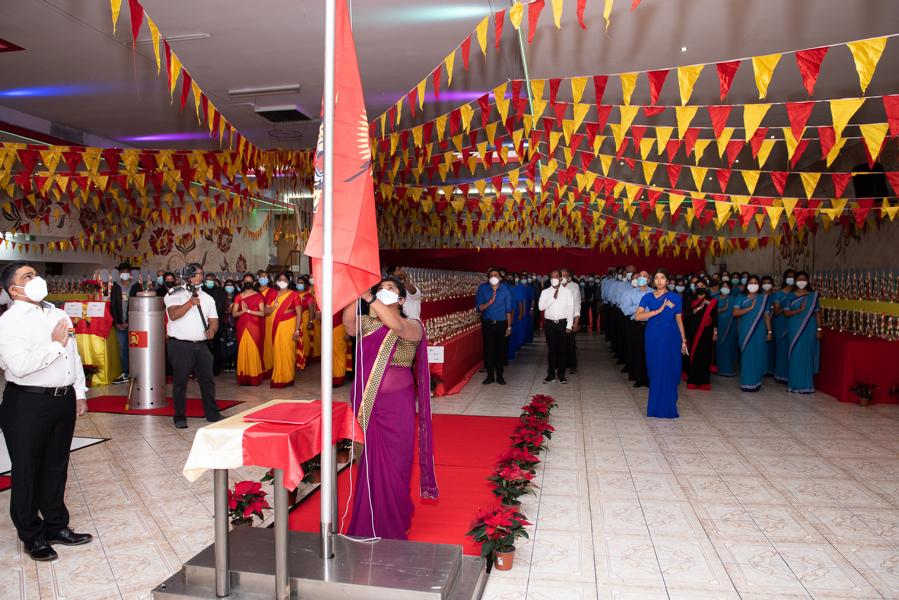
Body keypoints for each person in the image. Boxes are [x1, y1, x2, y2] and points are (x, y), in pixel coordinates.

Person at [0, 262, 93, 561]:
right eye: (27, 276)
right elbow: (20, 366)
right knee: (27, 470)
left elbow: (73, 355)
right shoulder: (9, 322)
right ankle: (32, 534)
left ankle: (56, 525)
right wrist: (55, 345)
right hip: (27, 402)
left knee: (56, 465)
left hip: (62, 399)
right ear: (14, 290)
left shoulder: (57, 313)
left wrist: (79, 391)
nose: (36, 279)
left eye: (36, 274)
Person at [341, 276, 438, 540]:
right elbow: (349, 325)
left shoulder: (413, 325)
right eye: (381, 288)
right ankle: (368, 518)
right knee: (369, 462)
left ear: (402, 299)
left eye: (391, 289)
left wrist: (369, 296)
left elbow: (395, 325)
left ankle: (395, 518)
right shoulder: (368, 323)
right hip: (368, 404)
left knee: (396, 463)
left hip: (397, 408)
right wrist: (354, 294)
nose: (384, 291)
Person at [164, 263, 221, 428]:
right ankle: (179, 417)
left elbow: (214, 320)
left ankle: (212, 414)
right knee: (180, 382)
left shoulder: (208, 298)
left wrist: (212, 330)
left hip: (201, 345)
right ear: (187, 276)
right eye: (195, 274)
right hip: (180, 345)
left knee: (207, 380)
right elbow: (173, 315)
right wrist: (190, 303)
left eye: (201, 274)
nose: (199, 277)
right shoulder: (174, 293)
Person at [634, 269, 686, 419]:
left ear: (667, 281)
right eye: (656, 278)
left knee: (670, 370)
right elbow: (638, 316)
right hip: (653, 336)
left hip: (671, 336)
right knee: (655, 369)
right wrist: (658, 310)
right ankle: (655, 407)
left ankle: (669, 406)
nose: (659, 281)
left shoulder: (675, 298)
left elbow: (679, 320)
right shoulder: (648, 297)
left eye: (662, 278)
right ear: (653, 281)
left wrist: (683, 340)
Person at [732, 275, 772, 392]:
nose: (753, 285)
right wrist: (750, 308)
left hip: (760, 330)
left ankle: (756, 382)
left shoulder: (763, 299)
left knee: (758, 355)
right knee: (747, 355)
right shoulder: (741, 298)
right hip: (745, 330)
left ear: (759, 285)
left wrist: (769, 331)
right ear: (747, 285)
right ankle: (747, 383)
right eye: (751, 283)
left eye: (755, 283)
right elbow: (735, 313)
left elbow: (766, 316)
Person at [783, 272, 821, 394]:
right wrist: (799, 310)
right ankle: (794, 384)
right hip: (794, 326)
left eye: (804, 279)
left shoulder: (813, 296)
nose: (801, 281)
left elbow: (817, 313)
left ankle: (806, 385)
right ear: (795, 281)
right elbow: (786, 313)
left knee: (808, 354)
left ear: (808, 281)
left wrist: (819, 329)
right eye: (799, 279)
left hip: (810, 327)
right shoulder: (790, 296)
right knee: (796, 353)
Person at [475, 268, 512, 385]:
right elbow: (479, 308)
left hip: (501, 323)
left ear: (500, 278)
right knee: (489, 350)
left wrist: (509, 327)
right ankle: (490, 375)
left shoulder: (505, 290)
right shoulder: (482, 289)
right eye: (491, 275)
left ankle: (500, 376)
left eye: (496, 275)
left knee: (500, 350)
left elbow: (508, 310)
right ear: (488, 278)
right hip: (488, 323)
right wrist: (489, 302)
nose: (493, 277)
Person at [538, 270, 576, 384]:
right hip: (549, 324)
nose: (553, 279)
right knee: (551, 350)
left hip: (562, 323)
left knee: (562, 350)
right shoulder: (545, 292)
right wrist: (553, 298)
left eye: (556, 277)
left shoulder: (567, 292)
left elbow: (571, 309)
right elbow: (541, 307)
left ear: (560, 278)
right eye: (551, 277)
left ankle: (561, 375)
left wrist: (569, 325)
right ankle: (550, 374)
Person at [269, 272, 303, 388]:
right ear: (277, 281)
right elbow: (266, 311)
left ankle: (288, 378)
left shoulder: (294, 295)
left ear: (289, 281)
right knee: (277, 351)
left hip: (289, 325)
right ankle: (278, 377)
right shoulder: (273, 294)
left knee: (288, 351)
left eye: (285, 279)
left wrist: (296, 331)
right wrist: (273, 307)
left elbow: (299, 314)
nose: (282, 282)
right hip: (275, 326)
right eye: (280, 279)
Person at [109, 262, 141, 384]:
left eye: (127, 272)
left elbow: (138, 305)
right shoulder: (116, 287)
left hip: (133, 324)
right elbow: (113, 306)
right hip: (119, 324)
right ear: (119, 273)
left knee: (135, 348)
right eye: (122, 272)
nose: (124, 274)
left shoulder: (136, 286)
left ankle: (137, 372)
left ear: (130, 273)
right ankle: (126, 373)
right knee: (123, 350)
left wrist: (128, 322)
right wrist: (117, 322)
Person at [232, 273, 266, 386]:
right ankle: (244, 376)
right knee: (243, 350)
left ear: (254, 283)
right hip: (242, 326)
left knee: (253, 350)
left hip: (254, 327)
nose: (248, 283)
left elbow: (262, 313)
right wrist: (243, 311)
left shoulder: (259, 296)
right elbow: (234, 314)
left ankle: (254, 376)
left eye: (250, 281)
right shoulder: (238, 296)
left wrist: (249, 311)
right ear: (242, 283)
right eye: (246, 281)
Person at [684, 279, 717, 390]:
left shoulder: (713, 301)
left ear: (706, 287)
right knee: (693, 355)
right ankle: (693, 380)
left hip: (707, 333)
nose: (700, 287)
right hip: (693, 331)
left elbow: (715, 318)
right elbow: (687, 315)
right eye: (697, 285)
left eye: (702, 285)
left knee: (705, 356)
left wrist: (715, 332)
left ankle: (704, 382)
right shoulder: (690, 299)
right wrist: (699, 307)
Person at [621, 271, 650, 388]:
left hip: (651, 325)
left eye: (645, 276)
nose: (642, 278)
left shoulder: (654, 292)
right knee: (637, 351)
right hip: (636, 325)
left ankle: (649, 378)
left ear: (649, 279)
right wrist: (640, 306)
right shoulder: (629, 293)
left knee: (650, 352)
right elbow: (625, 310)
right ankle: (638, 378)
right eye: (640, 276)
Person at [771, 269, 796, 383]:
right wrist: (786, 306)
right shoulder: (779, 294)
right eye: (789, 277)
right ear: (785, 279)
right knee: (782, 349)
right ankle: (780, 375)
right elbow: (776, 312)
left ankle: (791, 374)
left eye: (793, 277)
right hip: (781, 323)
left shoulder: (796, 294)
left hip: (794, 323)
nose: (791, 279)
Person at [203, 272, 228, 376]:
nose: (209, 282)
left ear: (214, 281)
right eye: (207, 280)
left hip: (216, 323)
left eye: (211, 280)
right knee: (204, 348)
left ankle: (215, 369)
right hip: (202, 324)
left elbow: (219, 308)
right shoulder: (201, 291)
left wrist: (211, 319)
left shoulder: (220, 292)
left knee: (216, 347)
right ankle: (204, 369)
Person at [715, 282, 739, 377]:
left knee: (729, 347)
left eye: (727, 286)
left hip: (731, 327)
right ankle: (718, 368)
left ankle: (728, 369)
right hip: (717, 327)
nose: (725, 288)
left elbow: (737, 312)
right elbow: (709, 312)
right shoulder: (714, 298)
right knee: (718, 347)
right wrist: (721, 309)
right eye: (723, 286)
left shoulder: (734, 299)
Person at [560, 269, 580, 374]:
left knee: (570, 344)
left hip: (570, 320)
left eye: (565, 275)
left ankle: (572, 365)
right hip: (558, 320)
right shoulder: (555, 287)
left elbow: (577, 306)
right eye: (561, 275)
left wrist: (576, 322)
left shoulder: (574, 287)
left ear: (569, 277)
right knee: (559, 344)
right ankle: (560, 364)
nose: (563, 277)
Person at [256, 271, 276, 378]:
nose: (263, 279)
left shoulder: (272, 291)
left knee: (267, 343)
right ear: (258, 278)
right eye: (261, 277)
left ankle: (268, 367)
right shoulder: (254, 290)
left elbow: (269, 308)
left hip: (267, 320)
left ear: (268, 279)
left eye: (265, 277)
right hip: (255, 320)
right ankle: (257, 367)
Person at [295, 276, 318, 371]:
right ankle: (297, 358)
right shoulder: (293, 294)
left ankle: (306, 358)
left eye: (301, 283)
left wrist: (310, 322)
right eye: (298, 282)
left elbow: (311, 311)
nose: (299, 284)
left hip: (304, 319)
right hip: (294, 320)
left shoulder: (308, 296)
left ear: (305, 285)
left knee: (305, 339)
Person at [220, 279, 239, 373]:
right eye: (227, 285)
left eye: (231, 285)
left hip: (234, 324)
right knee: (224, 344)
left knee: (234, 344)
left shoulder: (237, 297)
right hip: (224, 324)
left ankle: (233, 363)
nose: (229, 287)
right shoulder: (221, 297)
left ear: (234, 287)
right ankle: (226, 363)